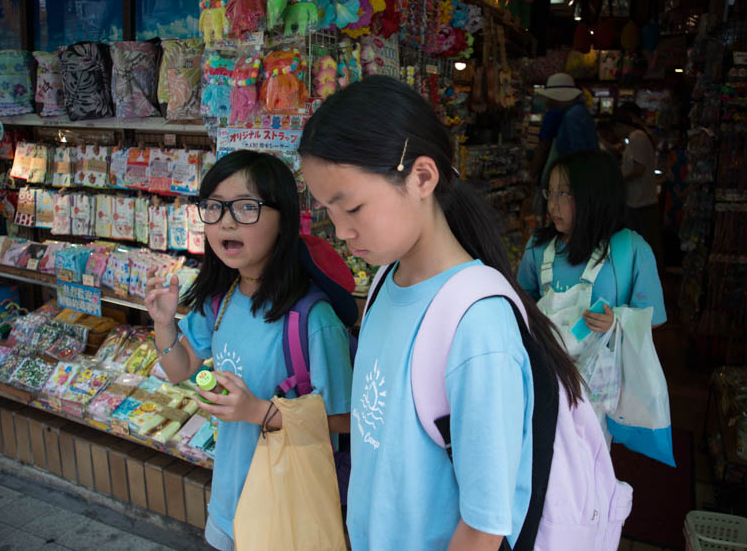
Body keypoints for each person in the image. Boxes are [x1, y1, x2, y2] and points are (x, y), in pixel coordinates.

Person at [299, 75, 592, 550]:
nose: (341, 232)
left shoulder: (478, 328)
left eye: (351, 207)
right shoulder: (383, 283)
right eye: (329, 212)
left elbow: (483, 527)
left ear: (422, 177)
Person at [144, 150, 353, 551]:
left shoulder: (313, 319)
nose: (225, 221)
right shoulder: (219, 301)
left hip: (286, 508)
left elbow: (344, 421)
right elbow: (179, 368)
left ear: (284, 220)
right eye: (215, 208)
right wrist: (163, 323)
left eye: (245, 208)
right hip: (228, 501)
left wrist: (258, 411)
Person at [517, 149, 666, 437]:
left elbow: (654, 319)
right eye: (550, 193)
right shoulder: (538, 247)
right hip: (542, 381)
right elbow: (521, 302)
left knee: (589, 460)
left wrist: (618, 323)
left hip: (598, 391)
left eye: (564, 194)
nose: (553, 206)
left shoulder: (631, 250)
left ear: (594, 196)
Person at [528, 72, 598, 190]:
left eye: (549, 98)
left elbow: (579, 156)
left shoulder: (572, 116)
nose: (547, 102)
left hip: (575, 183)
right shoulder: (580, 112)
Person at [615, 102, 663, 268]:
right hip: (640, 199)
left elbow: (638, 168)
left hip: (640, 200)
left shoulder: (637, 137)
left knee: (643, 242)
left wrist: (619, 178)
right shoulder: (638, 137)